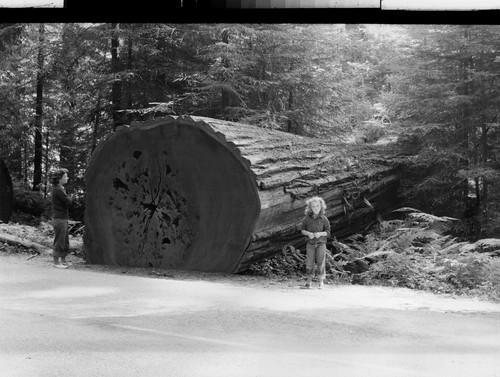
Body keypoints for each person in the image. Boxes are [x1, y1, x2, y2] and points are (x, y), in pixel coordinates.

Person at [300, 196, 331, 289]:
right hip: (310, 244)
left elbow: (328, 232)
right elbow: (302, 230)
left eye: (317, 206)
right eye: (313, 206)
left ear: (321, 206)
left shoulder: (324, 219)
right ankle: (308, 281)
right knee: (309, 262)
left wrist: (320, 234)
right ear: (310, 208)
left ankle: (321, 281)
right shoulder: (306, 218)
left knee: (320, 262)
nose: (316, 208)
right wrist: (308, 233)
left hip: (321, 244)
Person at [50, 168, 73, 269]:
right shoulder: (57, 189)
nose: (67, 178)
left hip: (62, 218)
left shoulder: (60, 188)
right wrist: (72, 197)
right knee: (59, 240)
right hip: (59, 218)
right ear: (59, 178)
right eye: (65, 176)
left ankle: (63, 260)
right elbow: (67, 203)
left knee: (65, 240)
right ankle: (56, 262)